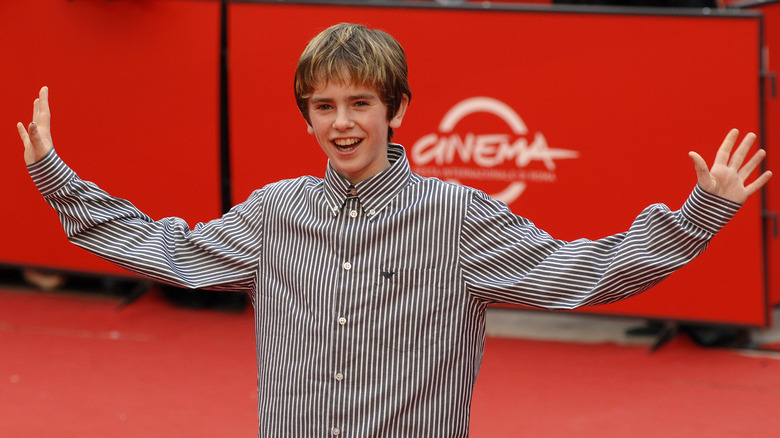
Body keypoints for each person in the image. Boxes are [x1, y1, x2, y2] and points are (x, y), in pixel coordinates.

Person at [16, 23, 771, 437]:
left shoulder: (457, 218)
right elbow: (163, 247)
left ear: (397, 109)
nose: (342, 123)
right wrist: (57, 176)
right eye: (324, 107)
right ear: (306, 116)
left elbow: (585, 273)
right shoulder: (273, 214)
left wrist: (698, 216)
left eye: (360, 104)